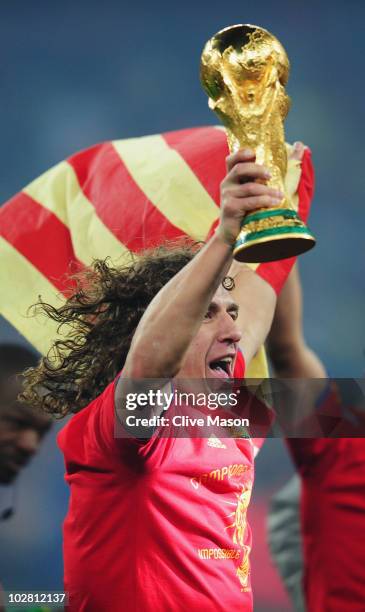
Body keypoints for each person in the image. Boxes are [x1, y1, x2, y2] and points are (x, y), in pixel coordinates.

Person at [22, 147, 308, 611]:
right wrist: (224, 237)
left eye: (230, 313)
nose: (233, 331)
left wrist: (282, 196)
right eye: (207, 315)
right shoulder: (127, 428)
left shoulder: (228, 413)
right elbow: (149, 364)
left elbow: (261, 283)